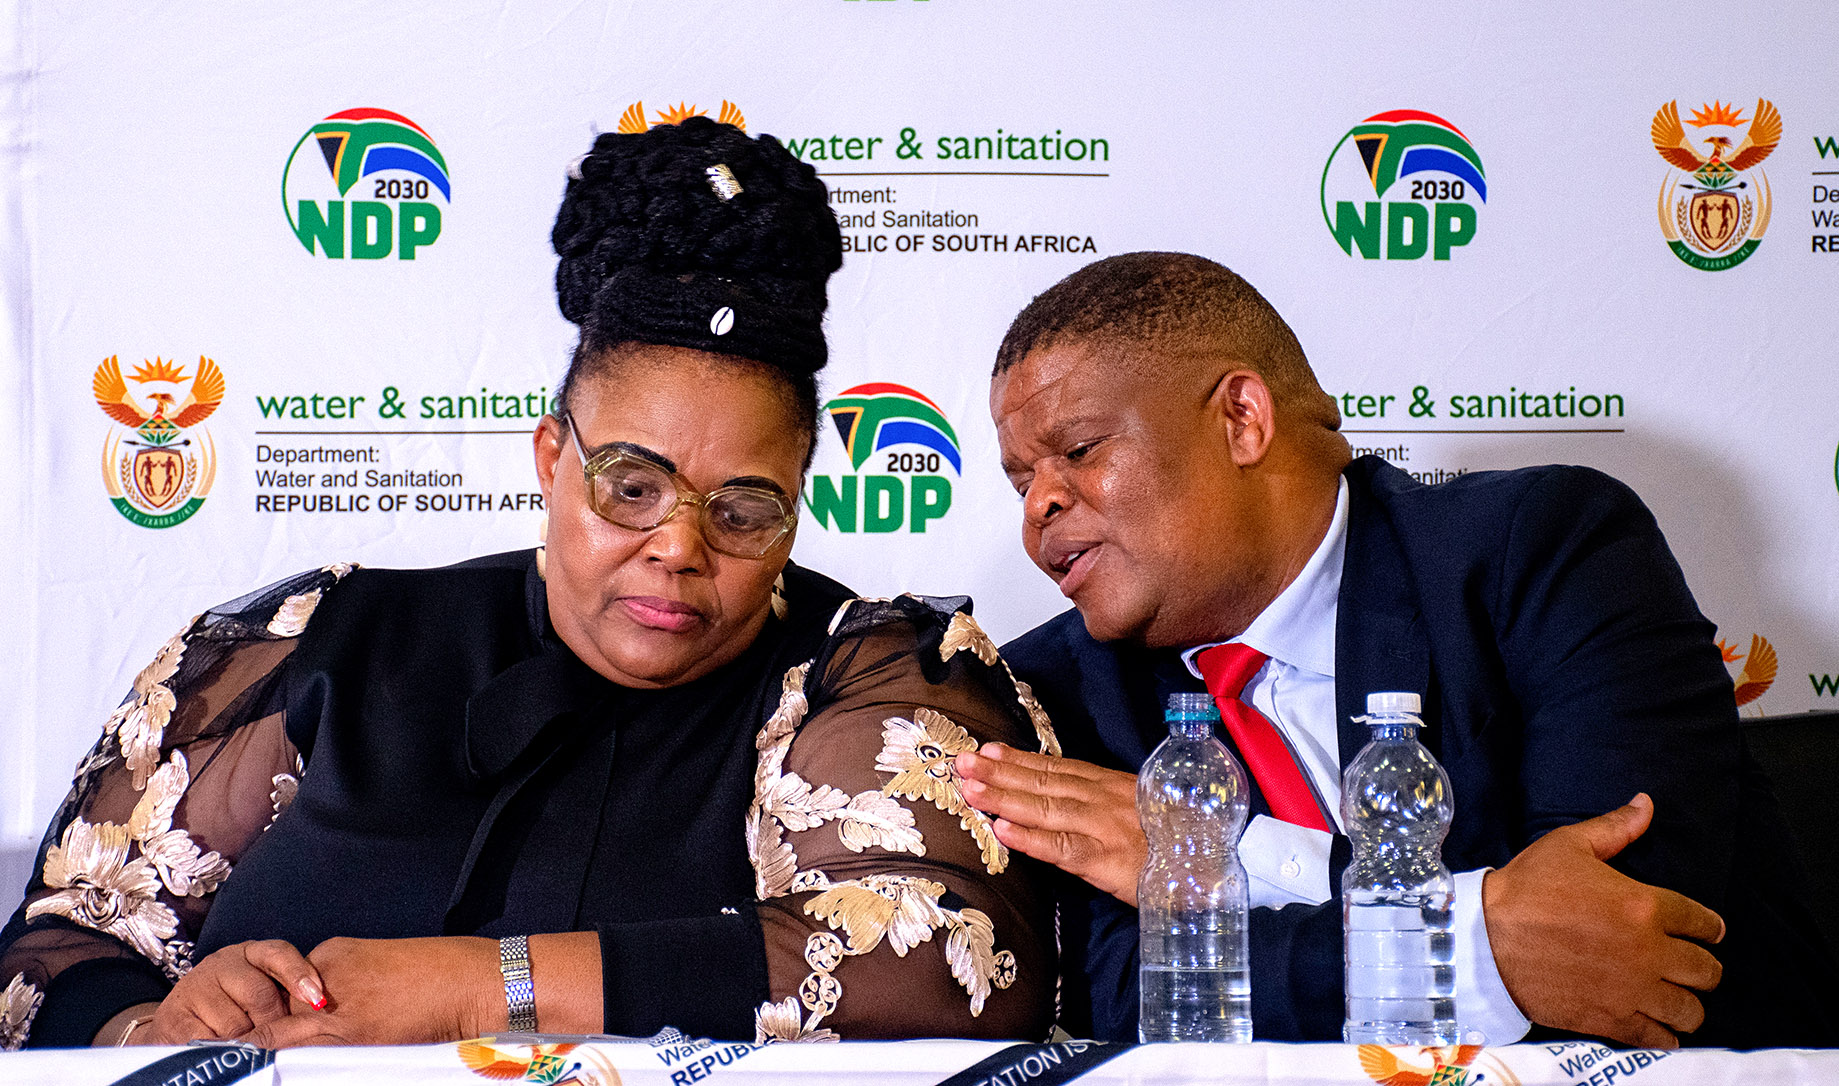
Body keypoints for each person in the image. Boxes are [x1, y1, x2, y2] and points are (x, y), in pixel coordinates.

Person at [0, 117, 1057, 1051]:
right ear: (552, 460)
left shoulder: (862, 674)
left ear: (799, 499)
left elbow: (947, 958)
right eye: (631, 486)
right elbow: (49, 951)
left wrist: (475, 987)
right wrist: (159, 1025)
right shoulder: (322, 640)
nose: (679, 546)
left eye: (741, 510)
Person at [957, 251, 1836, 1049]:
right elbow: (1116, 992)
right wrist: (1478, 941)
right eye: (1020, 479)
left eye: (1076, 451)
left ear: (1241, 418)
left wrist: (1228, 863)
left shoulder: (1543, 552)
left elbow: (1616, 932)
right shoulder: (1044, 688)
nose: (1038, 506)